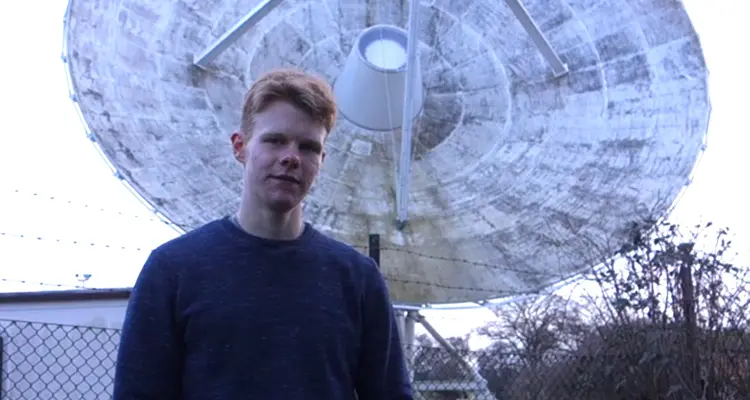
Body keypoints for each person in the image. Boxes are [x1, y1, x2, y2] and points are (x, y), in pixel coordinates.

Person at [113, 68, 414, 400]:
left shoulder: (357, 280)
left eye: (308, 147)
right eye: (274, 140)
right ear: (240, 147)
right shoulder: (172, 271)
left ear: (322, 160)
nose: (291, 157)